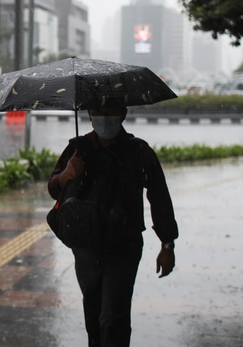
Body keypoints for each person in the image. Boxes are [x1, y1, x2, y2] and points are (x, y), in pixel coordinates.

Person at [48, 106, 178, 347]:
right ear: (89, 115)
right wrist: (67, 174)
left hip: (123, 247)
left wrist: (167, 244)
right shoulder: (77, 149)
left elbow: (159, 196)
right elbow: (54, 188)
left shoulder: (138, 151)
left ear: (123, 114)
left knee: (113, 318)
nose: (105, 118)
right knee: (94, 317)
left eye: (112, 111)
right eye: (99, 111)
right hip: (86, 247)